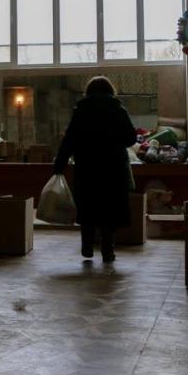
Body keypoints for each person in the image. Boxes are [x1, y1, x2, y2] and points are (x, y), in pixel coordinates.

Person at [52, 76, 137, 263]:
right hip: (113, 168)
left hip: (87, 167)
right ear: (110, 90)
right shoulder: (118, 110)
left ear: (88, 91)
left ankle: (87, 246)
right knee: (110, 209)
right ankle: (108, 250)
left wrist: (60, 163)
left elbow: (69, 139)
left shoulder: (81, 111)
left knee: (87, 206)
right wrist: (115, 142)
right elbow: (131, 138)